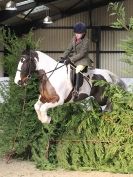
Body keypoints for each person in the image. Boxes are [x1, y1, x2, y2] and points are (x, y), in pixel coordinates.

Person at [60, 22, 91, 99]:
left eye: (79, 33)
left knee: (77, 70)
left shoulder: (86, 41)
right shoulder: (73, 39)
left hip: (83, 60)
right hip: (74, 60)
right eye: (76, 33)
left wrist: (70, 59)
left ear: (83, 33)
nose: (76, 35)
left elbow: (82, 54)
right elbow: (68, 49)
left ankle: (76, 90)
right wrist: (62, 57)